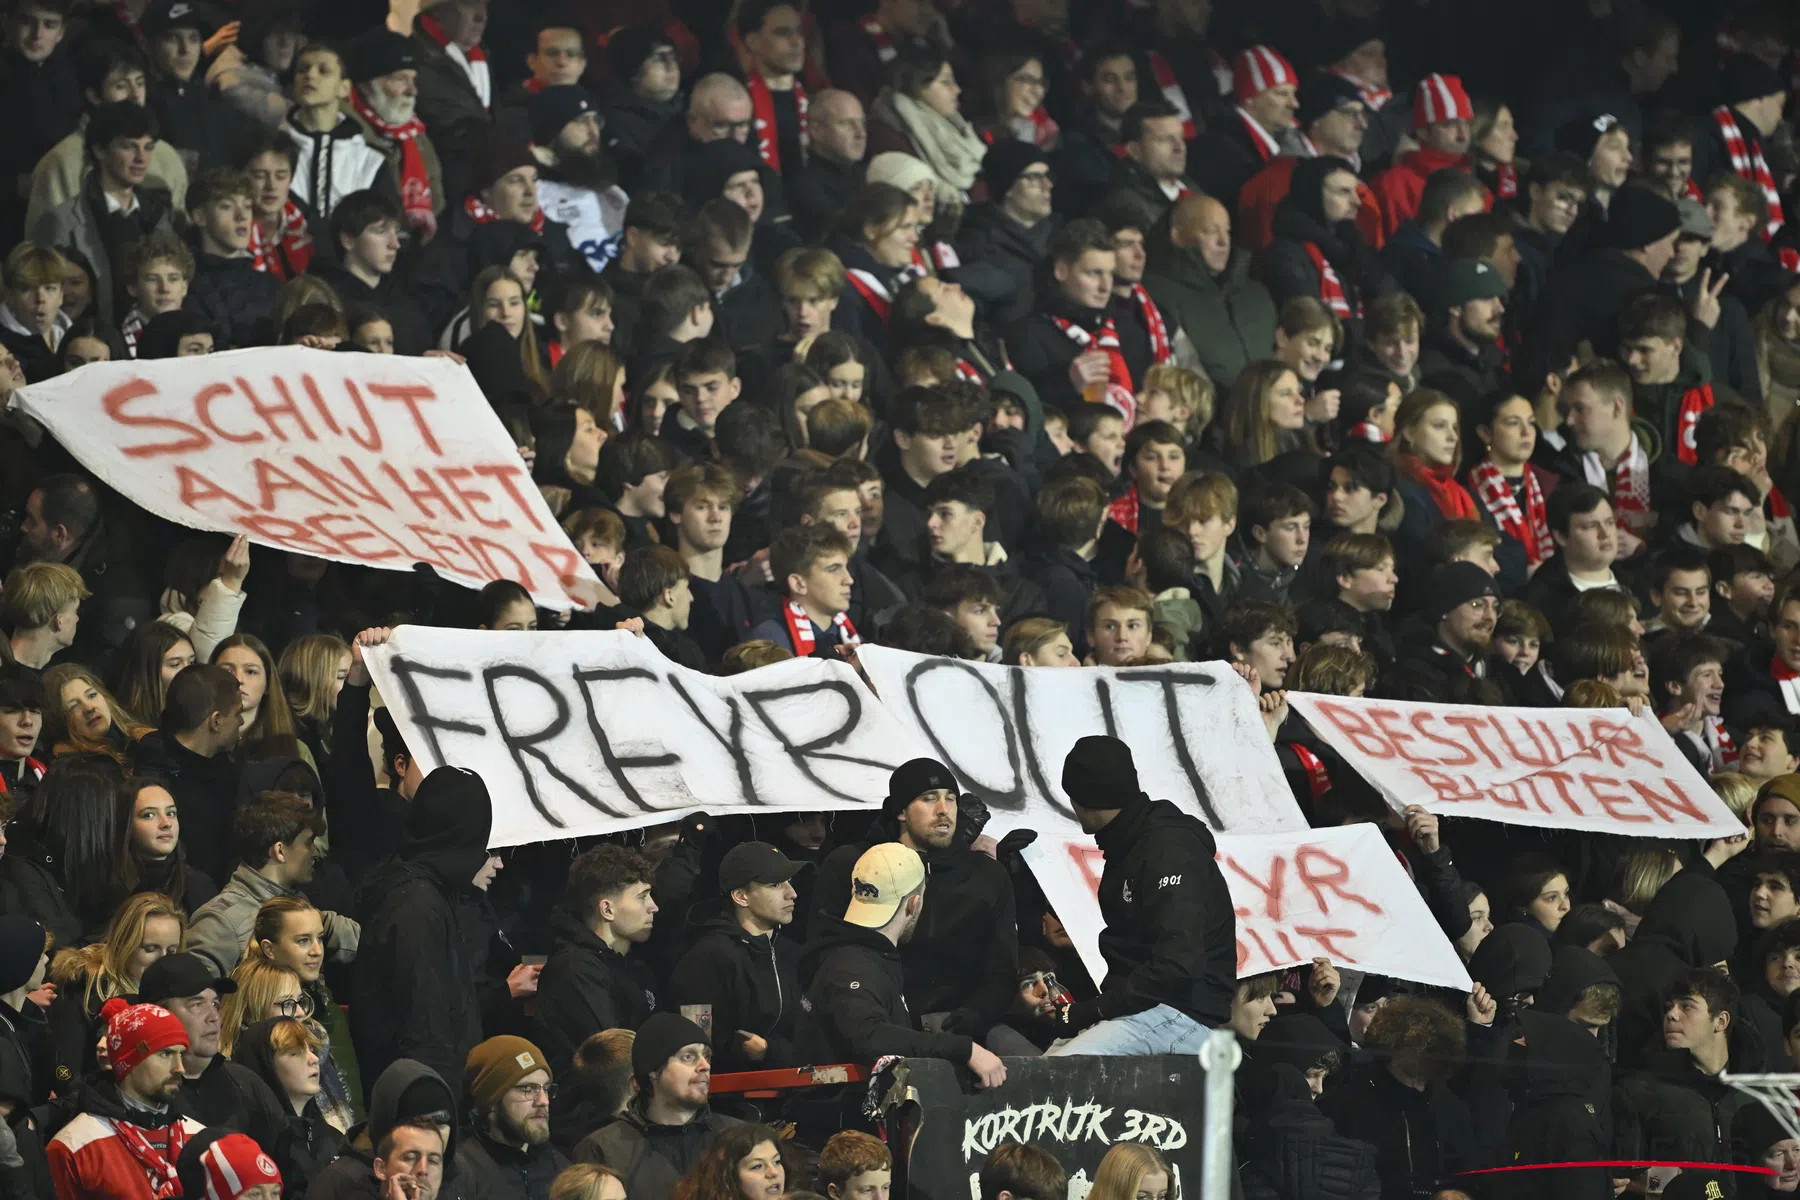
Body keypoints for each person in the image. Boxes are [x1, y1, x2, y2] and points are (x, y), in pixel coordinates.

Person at [1044, 736, 1235, 1054]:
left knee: (1064, 1074)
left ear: (1086, 798)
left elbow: (1178, 964)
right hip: (1142, 1008)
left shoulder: (1167, 849)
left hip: (1181, 1011)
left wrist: (1096, 1009)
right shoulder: (1127, 844)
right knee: (1039, 1075)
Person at [796, 840, 1008, 1084]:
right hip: (838, 1118)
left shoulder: (860, 952)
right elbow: (867, 1035)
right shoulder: (852, 963)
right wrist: (964, 1048)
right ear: (914, 903)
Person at [351, 766, 493, 1092]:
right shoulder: (417, 906)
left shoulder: (425, 892)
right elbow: (423, 1026)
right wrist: (437, 1113)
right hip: (422, 1105)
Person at [33, 100, 175, 326]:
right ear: (100, 150)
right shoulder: (62, 221)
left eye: (148, 147)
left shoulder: (159, 215)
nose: (141, 158)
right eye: (129, 146)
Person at [48, 996, 205, 1200]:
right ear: (128, 1062)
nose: (179, 1068)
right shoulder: (74, 1146)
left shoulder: (201, 1137)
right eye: (165, 1054)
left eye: (181, 1054)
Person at [666, 842, 803, 1074]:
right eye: (776, 884)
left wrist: (771, 1052)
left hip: (793, 1094)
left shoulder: (794, 954)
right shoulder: (707, 959)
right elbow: (698, 1047)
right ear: (741, 896)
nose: (792, 893)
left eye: (789, 882)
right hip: (735, 1101)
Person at [573, 1013, 742, 1200]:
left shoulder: (738, 1137)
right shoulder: (602, 1149)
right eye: (688, 1057)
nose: (705, 1065)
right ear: (653, 1070)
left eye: (707, 1056)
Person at [185, 792, 355, 976]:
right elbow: (192, 999)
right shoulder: (221, 922)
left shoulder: (298, 904)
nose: (315, 853)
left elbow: (361, 940)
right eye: (308, 843)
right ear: (280, 850)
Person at [135, 951, 289, 1154]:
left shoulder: (246, 1084)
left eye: (215, 1004)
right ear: (158, 1013)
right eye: (197, 1005)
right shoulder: (139, 1093)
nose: (214, 1017)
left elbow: (290, 1168)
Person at [534, 846, 658, 1078]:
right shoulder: (575, 971)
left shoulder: (631, 965)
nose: (654, 906)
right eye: (642, 897)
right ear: (607, 909)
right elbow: (611, 1057)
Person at [228, 1017, 347, 1197]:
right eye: (295, 1052)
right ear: (266, 1065)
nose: (313, 1059)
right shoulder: (252, 1149)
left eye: (311, 1049)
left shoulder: (336, 1140)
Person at [457, 1036, 570, 1200]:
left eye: (546, 1088)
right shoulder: (462, 1172)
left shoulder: (561, 1168)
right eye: (528, 1089)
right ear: (492, 1101)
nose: (543, 1101)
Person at [1191, 45, 1298, 210]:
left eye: (1293, 94)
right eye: (1281, 94)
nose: (1294, 104)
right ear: (1249, 99)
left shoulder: (1270, 146)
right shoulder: (1222, 149)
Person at [1371, 73, 1475, 238]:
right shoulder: (1394, 184)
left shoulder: (1473, 175)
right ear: (1423, 132)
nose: (1463, 135)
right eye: (1449, 125)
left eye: (1467, 124)